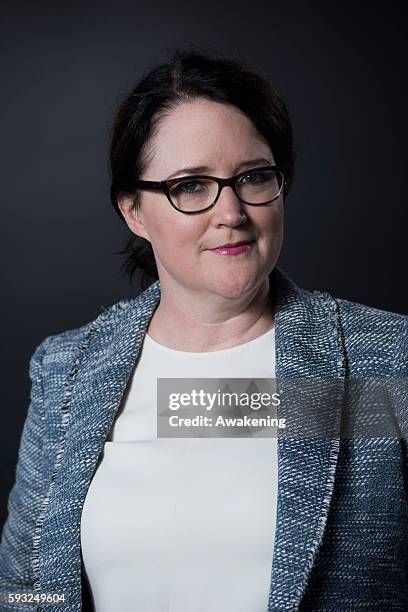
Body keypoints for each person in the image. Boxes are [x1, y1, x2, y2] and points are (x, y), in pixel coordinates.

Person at [0, 47, 407, 612]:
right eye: (191, 185)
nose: (232, 211)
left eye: (253, 176)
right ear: (133, 211)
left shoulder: (385, 362)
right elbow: (24, 592)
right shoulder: (66, 372)